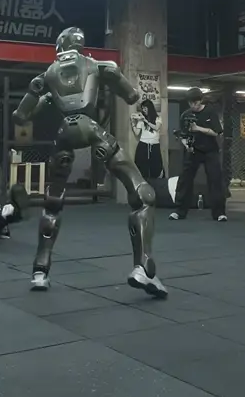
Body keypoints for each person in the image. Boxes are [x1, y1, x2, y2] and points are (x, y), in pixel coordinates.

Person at [13, 26, 167, 298]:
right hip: (92, 130)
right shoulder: (97, 65)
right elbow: (132, 95)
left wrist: (38, 93)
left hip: (63, 134)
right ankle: (144, 267)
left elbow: (20, 116)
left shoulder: (48, 74)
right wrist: (109, 77)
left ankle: (40, 271)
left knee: (53, 202)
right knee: (143, 194)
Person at [170, 87, 227, 222]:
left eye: (195, 102)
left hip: (210, 151)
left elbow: (217, 132)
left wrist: (198, 128)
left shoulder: (210, 112)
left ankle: (219, 213)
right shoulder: (185, 115)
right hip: (193, 150)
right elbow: (183, 135)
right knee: (185, 180)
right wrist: (186, 145)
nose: (193, 105)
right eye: (190, 103)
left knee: (215, 180)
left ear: (200, 100)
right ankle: (179, 211)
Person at [130, 98, 165, 179]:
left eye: (145, 108)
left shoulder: (158, 118)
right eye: (142, 109)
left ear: (150, 108)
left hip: (154, 145)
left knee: (156, 166)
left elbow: (156, 127)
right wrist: (132, 122)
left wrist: (145, 120)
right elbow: (137, 133)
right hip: (143, 145)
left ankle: (156, 183)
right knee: (141, 166)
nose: (144, 110)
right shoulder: (141, 120)